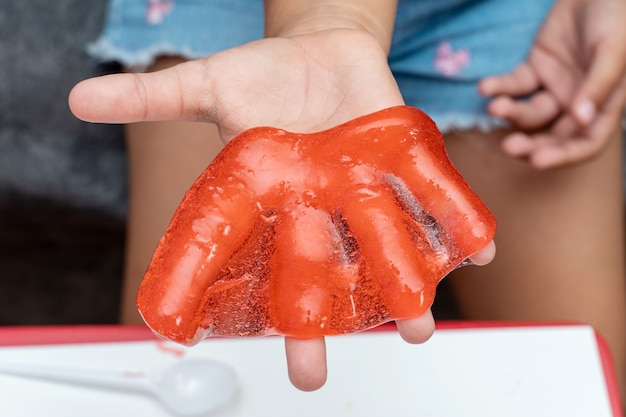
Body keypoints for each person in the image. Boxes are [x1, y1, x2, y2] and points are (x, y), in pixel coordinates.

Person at [70, 0, 626, 401]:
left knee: (583, 377)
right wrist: (327, 20)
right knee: (181, 369)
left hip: (506, 15)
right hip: (242, 17)